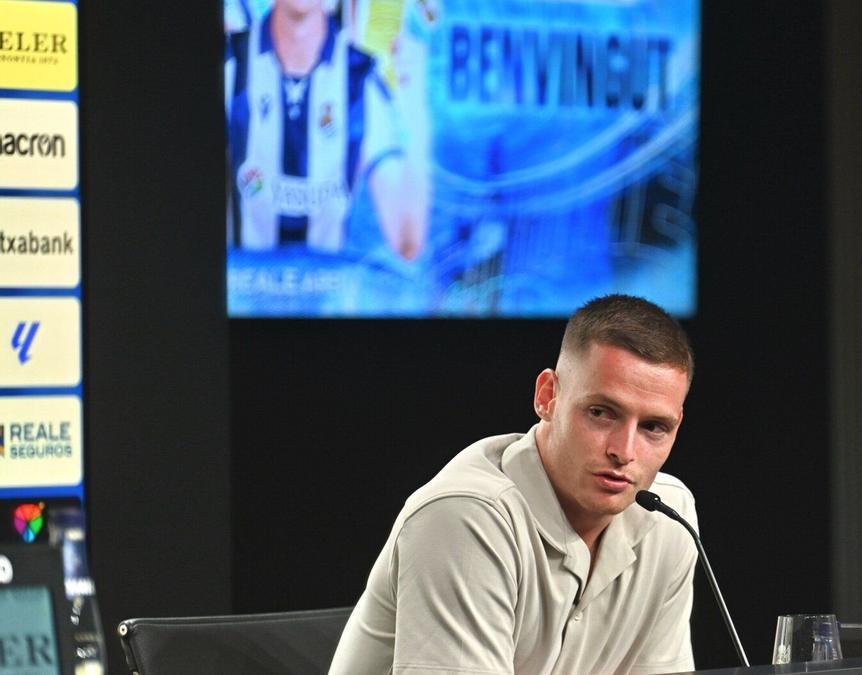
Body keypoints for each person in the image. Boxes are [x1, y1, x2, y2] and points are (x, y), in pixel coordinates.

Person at [329, 294, 699, 674]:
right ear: (547, 396)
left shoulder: (670, 517)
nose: (623, 451)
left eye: (654, 427)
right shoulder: (465, 516)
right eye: (601, 413)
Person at [225, 0, 428, 258]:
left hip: (332, 295)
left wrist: (415, 106)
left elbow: (406, 241)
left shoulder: (362, 80)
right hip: (239, 293)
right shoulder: (229, 65)